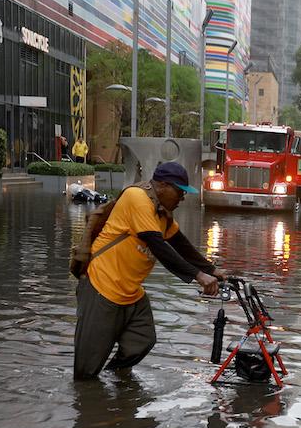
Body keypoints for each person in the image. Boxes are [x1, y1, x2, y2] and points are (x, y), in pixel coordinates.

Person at [73, 162, 225, 380]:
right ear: (162, 185)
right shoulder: (137, 198)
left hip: (130, 292)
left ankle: (113, 382)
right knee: (86, 370)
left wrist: (212, 269)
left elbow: (179, 243)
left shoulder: (161, 213)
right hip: (102, 286)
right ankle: (90, 399)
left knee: (142, 340)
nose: (182, 199)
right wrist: (199, 276)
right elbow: (157, 245)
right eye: (180, 192)